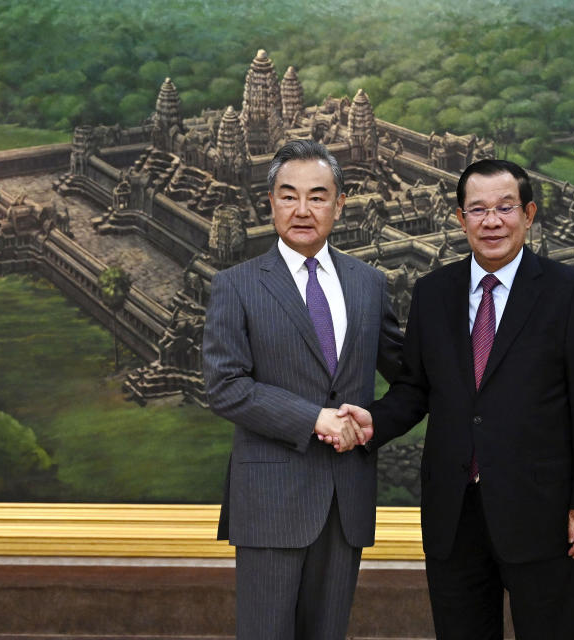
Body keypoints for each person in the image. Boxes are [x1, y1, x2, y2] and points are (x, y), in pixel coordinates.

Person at [340, 158, 574, 640]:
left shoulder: (568, 293)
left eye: (506, 208)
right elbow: (415, 389)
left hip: (540, 511)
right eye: (478, 209)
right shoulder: (433, 293)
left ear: (528, 215)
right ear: (460, 219)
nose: (492, 221)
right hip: (453, 511)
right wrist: (371, 423)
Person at [203, 139, 403, 640]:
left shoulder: (369, 284)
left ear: (339, 204)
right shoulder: (237, 285)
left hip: (345, 502)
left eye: (317, 196)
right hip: (270, 500)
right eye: (288, 195)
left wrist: (375, 423)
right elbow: (224, 386)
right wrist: (313, 418)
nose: (302, 209)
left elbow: (411, 375)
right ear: (269, 202)